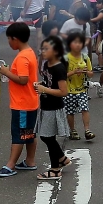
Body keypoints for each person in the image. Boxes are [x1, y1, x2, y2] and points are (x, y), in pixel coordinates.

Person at [0, 22, 40, 178]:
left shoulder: (22, 57)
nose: (8, 42)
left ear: (15, 38)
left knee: (19, 134)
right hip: (30, 101)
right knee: (29, 133)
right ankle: (30, 160)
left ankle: (10, 165)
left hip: (22, 103)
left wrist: (6, 72)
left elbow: (22, 79)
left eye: (9, 39)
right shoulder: (30, 52)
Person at [35, 36, 73, 181]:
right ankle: (62, 159)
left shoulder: (59, 68)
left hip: (54, 107)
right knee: (47, 136)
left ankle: (56, 169)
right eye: (42, 48)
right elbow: (48, 81)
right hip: (46, 105)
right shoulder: (47, 65)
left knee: (47, 136)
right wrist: (41, 84)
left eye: (46, 49)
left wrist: (44, 89)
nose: (43, 51)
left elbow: (64, 92)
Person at [65, 32, 94, 141]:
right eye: (75, 42)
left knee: (84, 108)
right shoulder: (66, 58)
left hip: (82, 89)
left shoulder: (85, 57)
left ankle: (87, 130)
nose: (78, 45)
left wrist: (87, 72)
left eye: (80, 42)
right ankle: (73, 131)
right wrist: (73, 72)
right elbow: (62, 75)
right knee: (70, 111)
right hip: (69, 90)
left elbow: (91, 73)